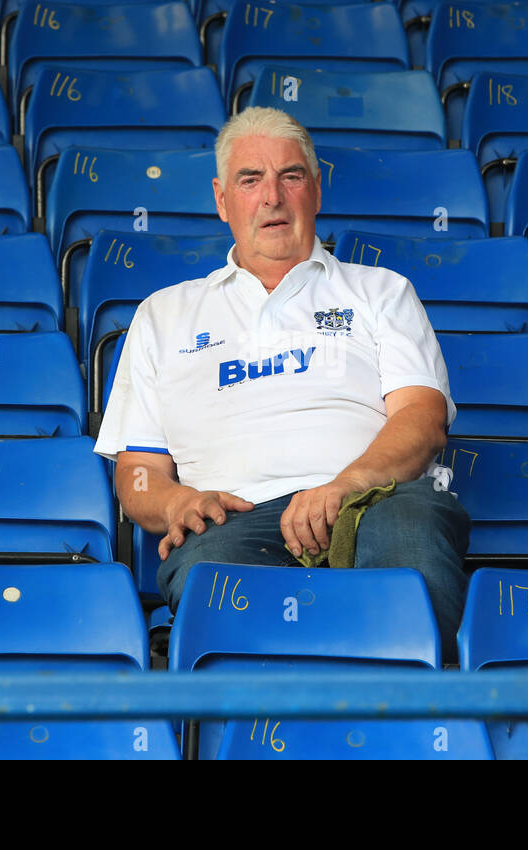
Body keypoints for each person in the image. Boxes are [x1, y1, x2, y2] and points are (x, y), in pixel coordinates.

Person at [93, 107, 470, 657]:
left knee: (410, 534)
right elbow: (139, 473)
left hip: (371, 503)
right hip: (237, 521)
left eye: (290, 176)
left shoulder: (381, 291)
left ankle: (407, 729)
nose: (272, 196)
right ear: (222, 200)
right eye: (251, 180)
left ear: (316, 190)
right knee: (205, 570)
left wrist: (342, 488)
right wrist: (175, 504)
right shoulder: (163, 315)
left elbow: (422, 420)